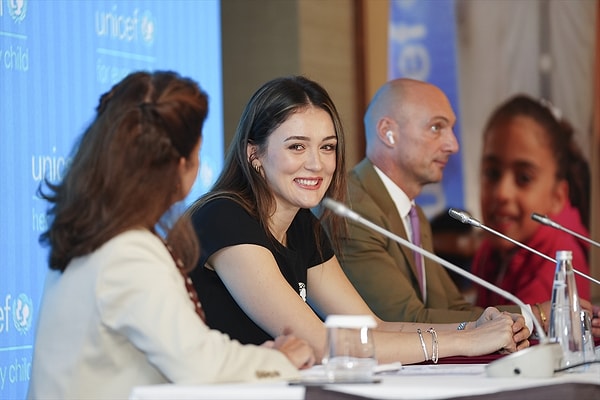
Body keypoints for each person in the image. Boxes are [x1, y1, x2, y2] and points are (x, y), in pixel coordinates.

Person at [188, 75, 530, 367]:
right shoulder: (223, 217)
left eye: (327, 147)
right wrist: (464, 344)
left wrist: (470, 330)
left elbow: (370, 326)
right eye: (296, 147)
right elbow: (323, 344)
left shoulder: (303, 225)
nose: (317, 164)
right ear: (255, 155)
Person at [28, 71, 315, 399]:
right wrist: (278, 360)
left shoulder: (96, 233)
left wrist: (260, 360)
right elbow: (197, 364)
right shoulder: (128, 251)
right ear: (180, 167)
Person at [336, 78, 532, 328]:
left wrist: (527, 315)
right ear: (388, 133)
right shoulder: (353, 209)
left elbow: (450, 307)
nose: (453, 145)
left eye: (451, 129)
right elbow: (404, 320)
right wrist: (532, 316)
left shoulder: (414, 213)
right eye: (436, 128)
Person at [472, 94, 596, 333]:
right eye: (492, 173)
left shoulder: (561, 264)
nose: (502, 193)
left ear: (558, 196)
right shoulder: (491, 249)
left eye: (524, 178)